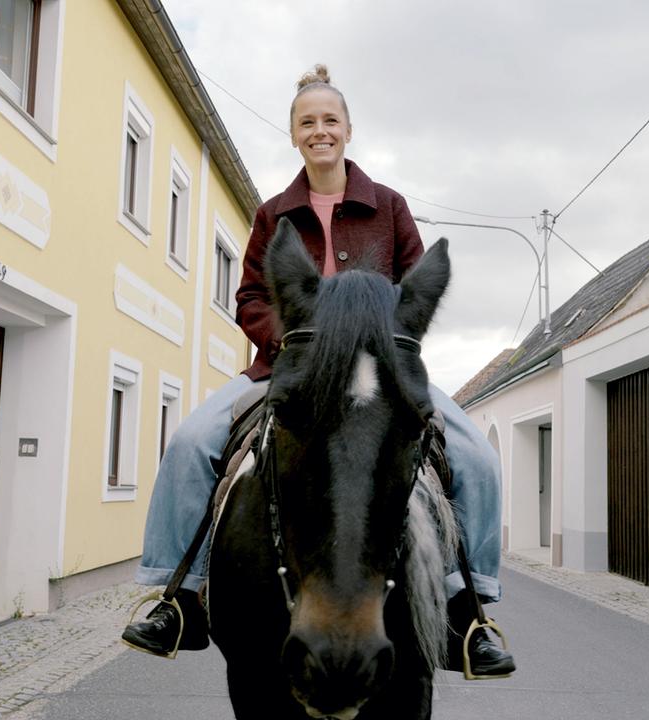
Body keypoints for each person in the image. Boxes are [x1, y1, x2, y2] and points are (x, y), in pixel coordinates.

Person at [122, 65, 514, 679]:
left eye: (330, 120)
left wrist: (391, 346)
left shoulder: (390, 206)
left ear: (348, 130)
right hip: (290, 368)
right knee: (190, 442)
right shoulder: (273, 213)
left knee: (478, 461)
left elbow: (414, 289)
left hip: (379, 370)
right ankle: (180, 598)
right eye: (308, 121)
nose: (320, 130)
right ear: (294, 134)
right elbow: (249, 296)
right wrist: (295, 345)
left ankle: (471, 608)